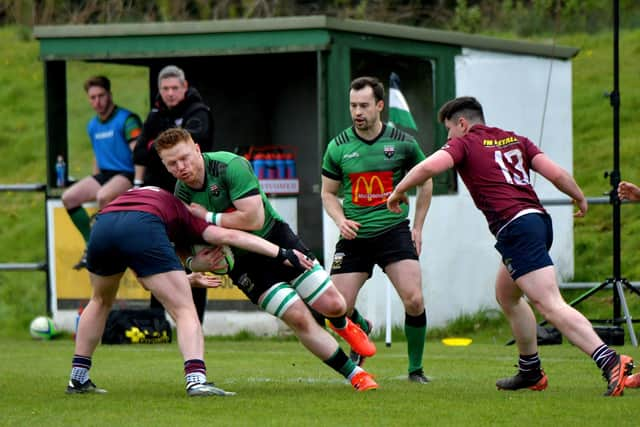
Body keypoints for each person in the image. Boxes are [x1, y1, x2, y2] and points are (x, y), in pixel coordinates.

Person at [387, 96, 634, 396]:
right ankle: (530, 370)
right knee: (507, 295)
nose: (448, 137)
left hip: (516, 228)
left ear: (462, 124)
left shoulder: (463, 143)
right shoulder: (515, 139)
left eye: (449, 130)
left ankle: (610, 361)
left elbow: (427, 167)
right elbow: (554, 172)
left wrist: (398, 190)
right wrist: (578, 195)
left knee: (550, 304)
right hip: (537, 222)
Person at [154, 127, 379, 392]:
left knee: (334, 304)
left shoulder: (230, 166)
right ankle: (356, 375)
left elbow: (253, 219)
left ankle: (347, 322)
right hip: (244, 265)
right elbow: (180, 245)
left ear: (197, 149)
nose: (181, 167)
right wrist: (194, 263)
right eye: (172, 163)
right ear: (165, 166)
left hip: (276, 239)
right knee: (298, 317)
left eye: (184, 158)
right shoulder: (181, 195)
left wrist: (207, 217)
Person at [66, 186, 312, 397]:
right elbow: (229, 235)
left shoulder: (143, 198)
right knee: (184, 310)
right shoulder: (186, 213)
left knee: (99, 301)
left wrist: (186, 276)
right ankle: (196, 380)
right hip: (142, 224)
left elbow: (145, 278)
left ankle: (78, 378)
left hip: (103, 224)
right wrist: (282, 253)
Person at [320, 76, 433, 383]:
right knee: (334, 309)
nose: (358, 111)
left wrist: (418, 228)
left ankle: (415, 370)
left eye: (364, 105)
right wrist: (340, 220)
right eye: (353, 105)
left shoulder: (402, 142)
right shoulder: (338, 146)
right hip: (354, 236)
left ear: (380, 106)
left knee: (414, 300)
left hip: (393, 231)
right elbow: (328, 194)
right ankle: (361, 326)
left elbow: (426, 180)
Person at [133, 64, 214, 322]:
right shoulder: (155, 114)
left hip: (190, 199)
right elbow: (139, 154)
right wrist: (159, 144)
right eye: (165, 89)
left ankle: (194, 322)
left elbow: (190, 141)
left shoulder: (198, 111)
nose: (169, 93)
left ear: (184, 87)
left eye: (174, 88)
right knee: (157, 257)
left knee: (192, 257)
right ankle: (156, 323)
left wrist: (156, 144)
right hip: (159, 200)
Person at [62, 76, 142, 270]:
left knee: (103, 196)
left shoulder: (127, 119)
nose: (97, 101)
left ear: (110, 95)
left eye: (101, 96)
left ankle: (108, 249)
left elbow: (139, 153)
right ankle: (91, 246)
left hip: (126, 173)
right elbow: (98, 154)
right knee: (68, 197)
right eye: (92, 97)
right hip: (105, 174)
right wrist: (93, 177)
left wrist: (139, 182)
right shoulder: (92, 125)